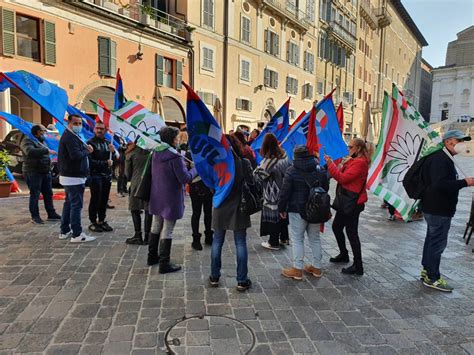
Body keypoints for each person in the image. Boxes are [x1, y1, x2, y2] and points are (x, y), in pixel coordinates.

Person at [419, 130, 473, 292]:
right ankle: (433, 277)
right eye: (460, 140)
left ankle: (427, 270)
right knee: (437, 243)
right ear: (449, 142)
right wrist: (465, 182)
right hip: (438, 208)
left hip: (435, 207)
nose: (462, 144)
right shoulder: (440, 159)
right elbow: (440, 184)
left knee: (432, 240)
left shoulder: (445, 157)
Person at [148, 126, 197, 273]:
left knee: (156, 225)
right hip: (170, 197)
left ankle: (152, 257)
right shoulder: (175, 157)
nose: (178, 140)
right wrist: (196, 169)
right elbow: (184, 178)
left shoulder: (156, 153)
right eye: (176, 137)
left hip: (157, 195)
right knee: (168, 229)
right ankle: (164, 263)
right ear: (172, 139)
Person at [209, 134, 253, 292]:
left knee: (217, 241)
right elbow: (251, 182)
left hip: (220, 204)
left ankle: (214, 276)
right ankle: (241, 280)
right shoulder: (243, 162)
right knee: (240, 243)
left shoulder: (215, 163)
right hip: (239, 205)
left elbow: (210, 184)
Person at [278, 145, 329, 280]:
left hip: (297, 209)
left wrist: (281, 209)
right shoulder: (320, 169)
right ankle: (317, 268)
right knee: (315, 238)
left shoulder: (292, 170)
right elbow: (325, 187)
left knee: (297, 239)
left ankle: (297, 269)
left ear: (295, 156)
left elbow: (284, 192)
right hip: (316, 209)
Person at [324, 138, 370, 276]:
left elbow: (342, 178)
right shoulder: (355, 160)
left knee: (352, 233)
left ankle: (358, 265)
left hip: (353, 203)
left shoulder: (360, 163)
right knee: (337, 227)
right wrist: (343, 162)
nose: (348, 149)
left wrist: (330, 164)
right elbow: (342, 172)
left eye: (350, 147)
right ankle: (344, 254)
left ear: (358, 149)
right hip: (347, 201)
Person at [58, 114, 96, 243]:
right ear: (69, 123)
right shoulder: (69, 137)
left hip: (72, 176)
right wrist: (88, 151)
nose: (78, 126)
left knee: (69, 204)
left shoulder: (74, 136)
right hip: (73, 177)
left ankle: (65, 230)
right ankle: (77, 234)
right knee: (76, 205)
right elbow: (75, 155)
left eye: (80, 123)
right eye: (76, 123)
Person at [254, 133, 290, 250]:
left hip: (273, 192)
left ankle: (273, 242)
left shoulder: (270, 160)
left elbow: (258, 175)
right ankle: (284, 238)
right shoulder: (284, 156)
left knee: (274, 216)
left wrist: (257, 168)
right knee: (282, 214)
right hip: (284, 190)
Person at [20, 124, 61, 224]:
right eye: (43, 130)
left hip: (45, 171)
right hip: (33, 171)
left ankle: (51, 213)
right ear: (38, 132)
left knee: (48, 193)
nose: (45, 132)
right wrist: (46, 150)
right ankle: (35, 216)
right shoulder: (27, 140)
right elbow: (30, 151)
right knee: (35, 194)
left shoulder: (41, 140)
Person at [87, 121, 116, 233]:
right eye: (97, 128)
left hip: (106, 176)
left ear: (106, 130)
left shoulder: (108, 143)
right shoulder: (90, 143)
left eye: (102, 129)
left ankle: (102, 220)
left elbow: (113, 159)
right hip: (95, 175)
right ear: (94, 129)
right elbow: (90, 161)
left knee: (104, 200)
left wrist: (113, 152)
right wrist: (105, 163)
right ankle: (93, 221)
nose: (99, 130)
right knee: (95, 199)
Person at [125, 143, 152, 245]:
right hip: (149, 184)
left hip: (136, 184)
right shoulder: (153, 152)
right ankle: (148, 236)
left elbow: (127, 174)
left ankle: (138, 235)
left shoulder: (131, 153)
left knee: (135, 209)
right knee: (148, 210)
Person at [185, 151, 214, 250]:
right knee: (196, 213)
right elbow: (186, 173)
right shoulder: (189, 155)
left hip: (208, 186)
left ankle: (209, 236)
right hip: (195, 187)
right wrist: (193, 168)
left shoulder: (209, 153)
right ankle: (196, 239)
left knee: (208, 212)